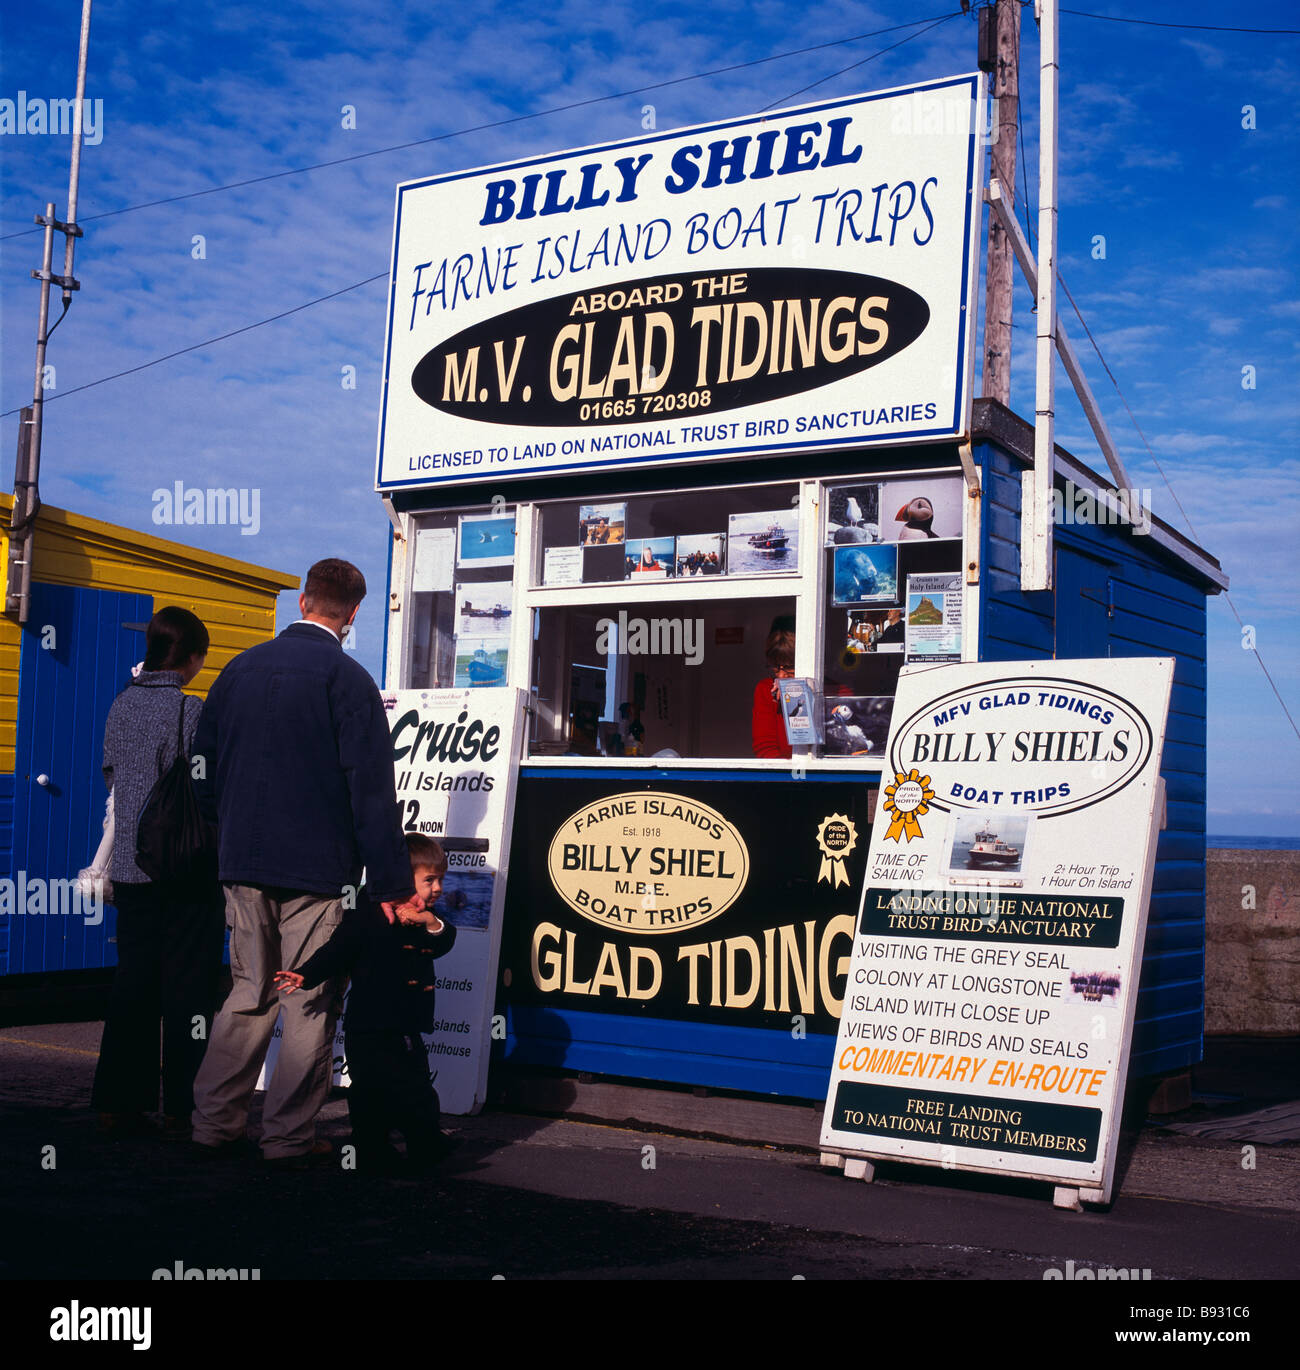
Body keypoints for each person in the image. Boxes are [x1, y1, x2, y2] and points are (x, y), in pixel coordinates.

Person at [189, 559, 414, 1166]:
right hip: (317, 870)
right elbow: (370, 791)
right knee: (306, 997)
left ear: (304, 601)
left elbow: (201, 769)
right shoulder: (347, 681)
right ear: (355, 613)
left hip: (240, 861)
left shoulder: (236, 671)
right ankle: (287, 1138)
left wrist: (225, 829)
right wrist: (392, 881)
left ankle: (214, 1124)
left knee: (247, 990)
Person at [92, 607, 224, 1138]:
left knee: (133, 985)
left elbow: (112, 777)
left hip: (130, 868)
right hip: (185, 869)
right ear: (191, 658)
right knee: (189, 990)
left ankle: (119, 1102)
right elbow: (206, 783)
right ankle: (184, 1107)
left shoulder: (121, 706)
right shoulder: (189, 710)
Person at [273, 834, 457, 1174]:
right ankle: (371, 1149)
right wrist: (305, 974)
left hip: (403, 1024)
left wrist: (431, 922)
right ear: (401, 877)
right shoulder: (367, 909)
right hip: (367, 1024)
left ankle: (426, 1146)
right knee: (368, 1091)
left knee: (414, 1088)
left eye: (440, 880)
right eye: (428, 880)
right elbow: (338, 949)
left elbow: (443, 941)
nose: (437, 889)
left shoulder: (422, 917)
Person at [752, 615, 796, 760]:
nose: (782, 676)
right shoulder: (766, 690)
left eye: (789, 667)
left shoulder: (836, 691)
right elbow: (765, 747)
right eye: (776, 667)